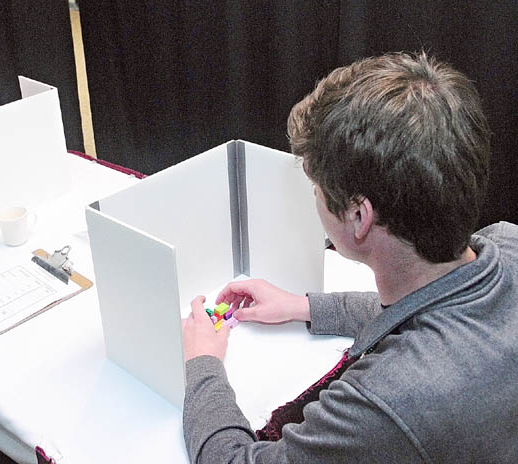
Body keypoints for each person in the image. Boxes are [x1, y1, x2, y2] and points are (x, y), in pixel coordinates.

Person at [182, 51, 518, 462]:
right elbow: (433, 304)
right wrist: (304, 307)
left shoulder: (385, 401)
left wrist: (202, 362)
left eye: (317, 189)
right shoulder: (507, 241)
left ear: (359, 217)